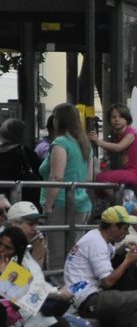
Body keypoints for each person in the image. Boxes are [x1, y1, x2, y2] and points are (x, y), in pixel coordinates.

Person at [39, 103, 95, 266]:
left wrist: (49, 206)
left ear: (60, 120)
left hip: (60, 205)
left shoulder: (61, 143)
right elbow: (89, 178)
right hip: (82, 204)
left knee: (57, 255)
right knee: (74, 254)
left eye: (55, 117)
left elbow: (56, 176)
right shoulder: (84, 144)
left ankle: (60, 289)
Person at [93, 103, 137, 194]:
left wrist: (98, 142)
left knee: (101, 178)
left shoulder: (131, 133)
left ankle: (120, 201)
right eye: (113, 117)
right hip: (131, 172)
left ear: (127, 119)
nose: (116, 120)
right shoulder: (118, 136)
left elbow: (118, 147)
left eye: (121, 117)